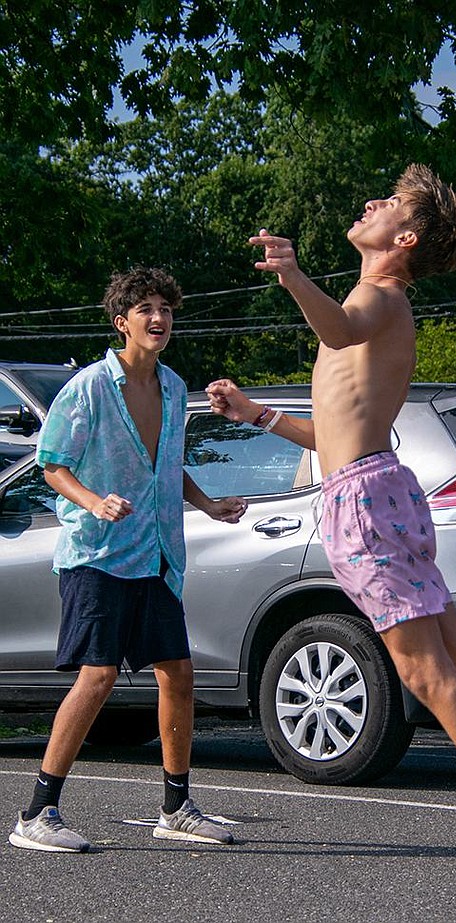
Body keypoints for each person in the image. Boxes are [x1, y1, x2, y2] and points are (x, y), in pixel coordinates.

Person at [206, 164, 456, 915]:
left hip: (366, 500)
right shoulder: (378, 302)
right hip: (377, 484)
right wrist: (257, 414)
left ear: (405, 238)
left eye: (385, 203)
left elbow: (339, 328)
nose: (369, 203)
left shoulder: (375, 297)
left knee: (425, 672)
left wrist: (293, 276)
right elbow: (337, 432)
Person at [9, 267, 248, 854]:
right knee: (98, 677)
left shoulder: (172, 387)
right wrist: (94, 500)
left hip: (159, 555)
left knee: (179, 677)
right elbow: (52, 463)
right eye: (145, 308)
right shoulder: (88, 387)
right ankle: (37, 813)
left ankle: (176, 807)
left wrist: (210, 504)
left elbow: (165, 465)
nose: (159, 318)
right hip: (97, 554)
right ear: (123, 322)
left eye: (165, 307)